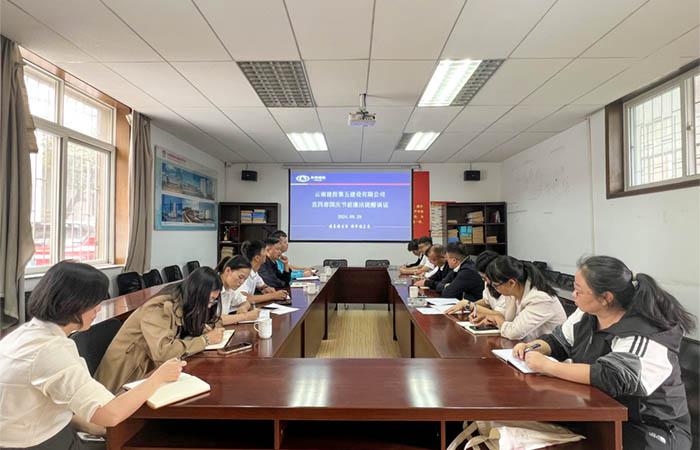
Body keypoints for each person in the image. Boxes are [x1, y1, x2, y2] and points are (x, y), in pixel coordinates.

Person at [513, 256, 694, 449]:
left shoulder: (643, 332)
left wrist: (548, 366)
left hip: (650, 426)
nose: (573, 294)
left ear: (606, 297)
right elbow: (559, 341)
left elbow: (610, 376)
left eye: (579, 290)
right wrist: (534, 346)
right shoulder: (587, 313)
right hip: (601, 410)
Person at [0, 261, 185, 449]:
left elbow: (42, 405)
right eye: (95, 303)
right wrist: (158, 378)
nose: (98, 309)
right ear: (72, 304)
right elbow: (111, 414)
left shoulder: (25, 334)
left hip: (38, 433)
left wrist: (93, 427)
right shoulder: (51, 351)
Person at [95, 267, 225, 393]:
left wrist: (202, 329)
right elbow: (164, 352)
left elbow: (210, 320)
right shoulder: (159, 308)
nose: (209, 306)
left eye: (213, 301)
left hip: (148, 372)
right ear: (197, 294)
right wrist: (205, 340)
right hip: (125, 380)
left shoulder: (185, 300)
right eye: (210, 300)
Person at [465, 256, 566, 340]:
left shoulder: (540, 298)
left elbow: (514, 333)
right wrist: (488, 318)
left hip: (548, 353)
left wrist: (497, 318)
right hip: (526, 347)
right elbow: (506, 319)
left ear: (511, 283)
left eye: (496, 285)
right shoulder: (513, 294)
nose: (495, 289)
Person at [445, 250, 505, 316]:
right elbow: (486, 301)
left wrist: (469, 305)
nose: (484, 281)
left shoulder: (504, 285)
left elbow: (500, 315)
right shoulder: (488, 282)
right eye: (483, 278)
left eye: (485, 278)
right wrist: (466, 306)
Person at [237, 240, 289, 304]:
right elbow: (245, 298)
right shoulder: (244, 273)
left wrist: (268, 289)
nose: (266, 253)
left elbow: (263, 286)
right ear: (257, 258)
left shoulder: (254, 272)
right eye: (264, 251)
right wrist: (273, 295)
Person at [215, 255, 260, 324]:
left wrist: (243, 307)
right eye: (240, 277)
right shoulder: (212, 286)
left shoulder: (230, 288)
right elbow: (214, 320)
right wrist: (245, 316)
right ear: (228, 270)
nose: (242, 282)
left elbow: (246, 302)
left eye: (245, 279)